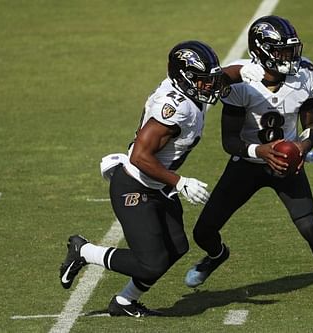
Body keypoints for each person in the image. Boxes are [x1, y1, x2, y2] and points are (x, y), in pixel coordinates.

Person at [59, 40, 262, 317]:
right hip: (136, 184)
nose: (211, 86)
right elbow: (140, 157)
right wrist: (179, 182)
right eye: (204, 81)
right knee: (151, 263)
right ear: (185, 79)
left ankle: (124, 302)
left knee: (177, 247)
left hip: (158, 185)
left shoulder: (191, 89)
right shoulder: (174, 108)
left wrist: (250, 69)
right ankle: (84, 251)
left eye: (209, 80)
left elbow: (223, 75)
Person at [184, 16, 313, 312]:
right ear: (261, 51)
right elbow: (229, 140)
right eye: (281, 51)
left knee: (310, 226)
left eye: (290, 50)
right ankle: (216, 255)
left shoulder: (306, 75)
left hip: (286, 163)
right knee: (203, 232)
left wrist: (301, 147)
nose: (290, 58)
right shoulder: (241, 83)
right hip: (248, 161)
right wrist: (260, 151)